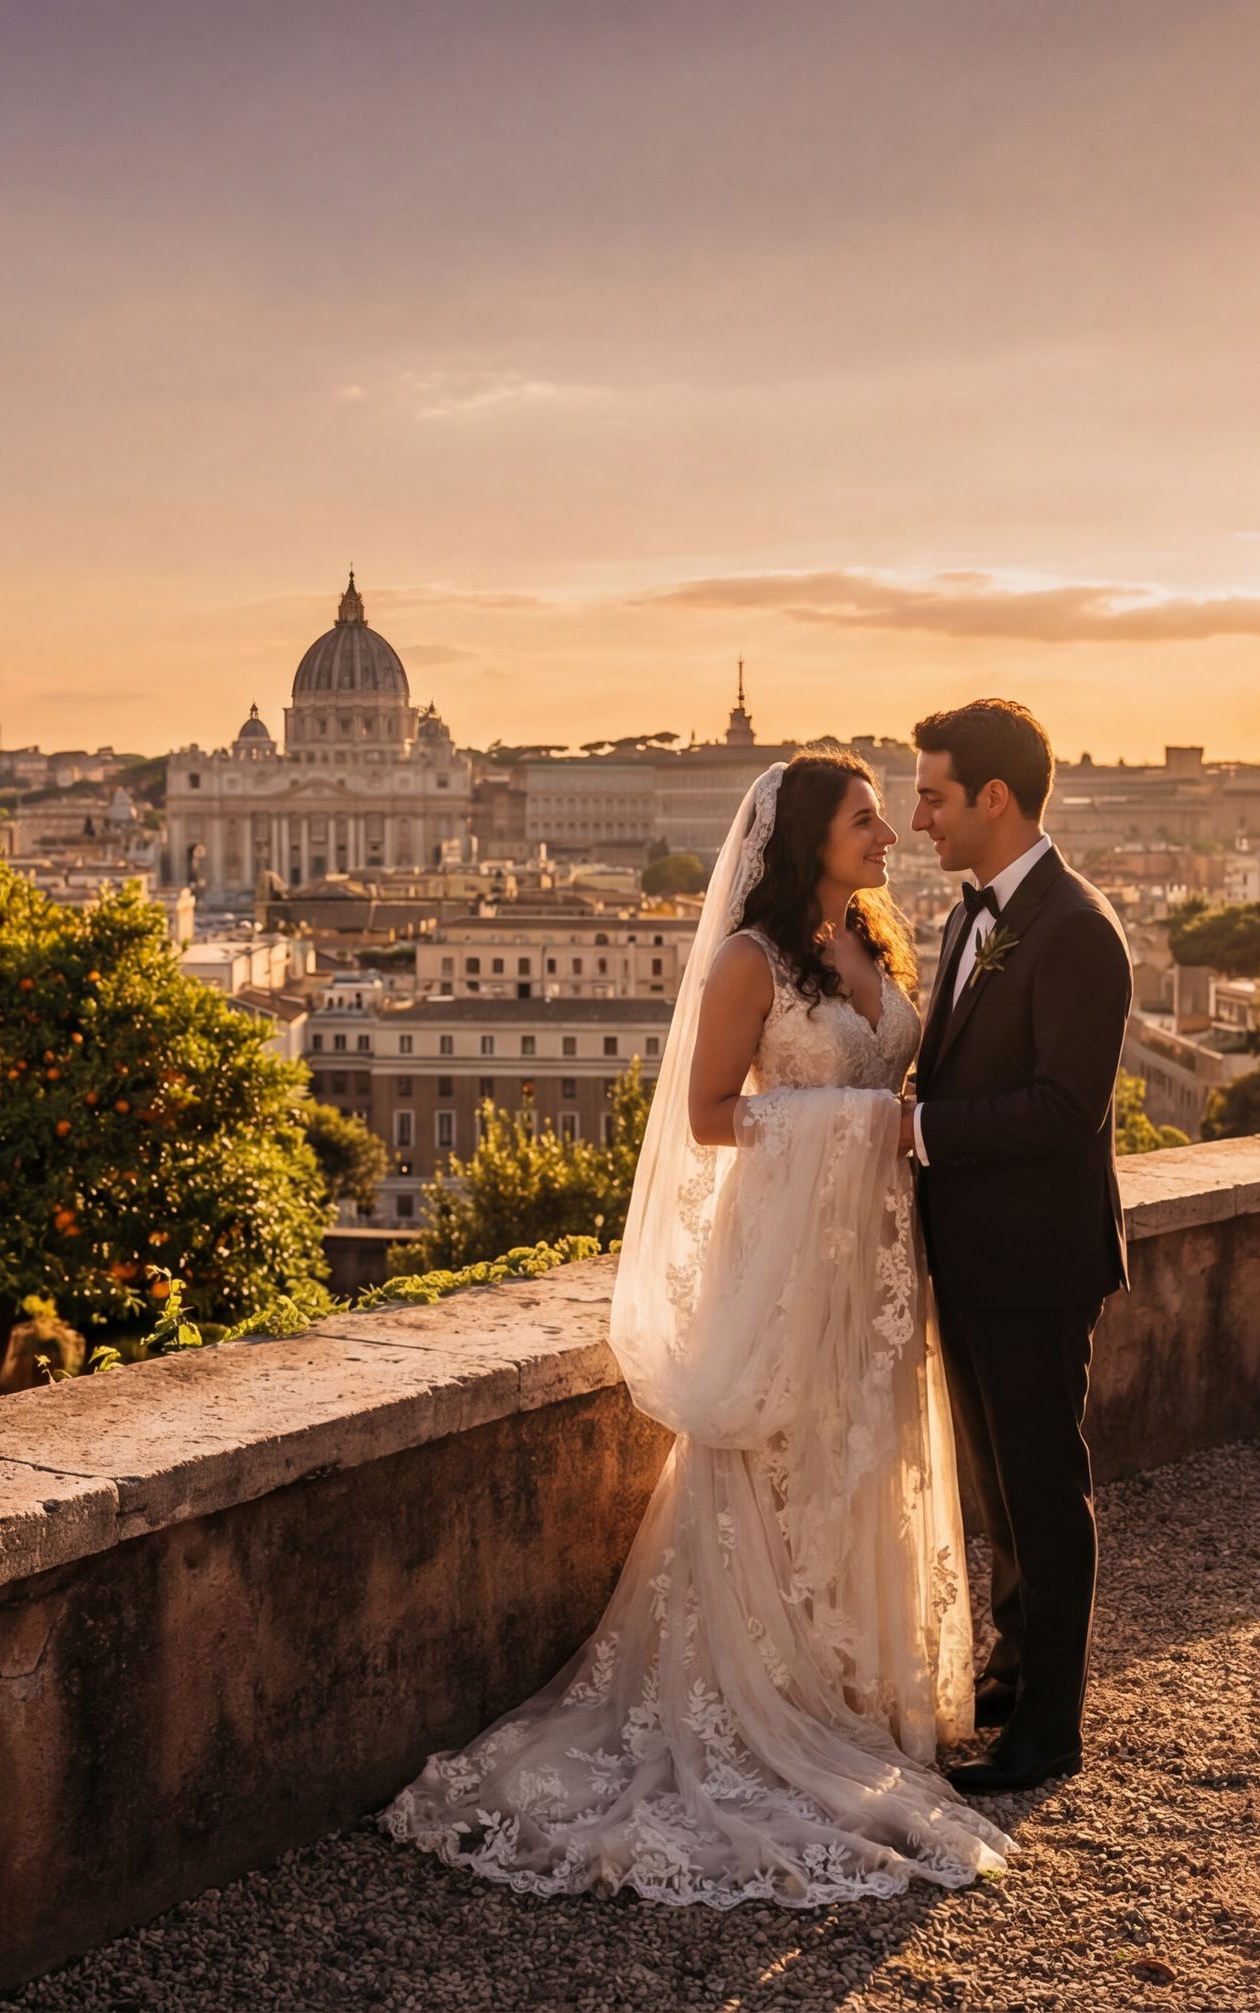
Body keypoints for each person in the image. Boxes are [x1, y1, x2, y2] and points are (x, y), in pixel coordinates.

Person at [384, 753, 1013, 1905]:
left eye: (886, 817)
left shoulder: (881, 935)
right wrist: (866, 1116)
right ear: (807, 842)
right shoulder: (747, 960)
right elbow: (709, 1117)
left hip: (871, 1257)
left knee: (863, 1461)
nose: (889, 836)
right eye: (866, 821)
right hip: (783, 1258)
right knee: (778, 1469)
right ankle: (775, 1701)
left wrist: (886, 1126)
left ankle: (852, 1695)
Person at [900, 699, 1131, 1796]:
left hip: (1035, 1259)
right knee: (996, 1490)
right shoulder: (971, 917)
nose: (917, 817)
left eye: (934, 794)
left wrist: (921, 1130)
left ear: (995, 798)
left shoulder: (1079, 929)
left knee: (1042, 1489)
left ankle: (1052, 1728)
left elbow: (1064, 1108)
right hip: (975, 1253)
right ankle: (1010, 1676)